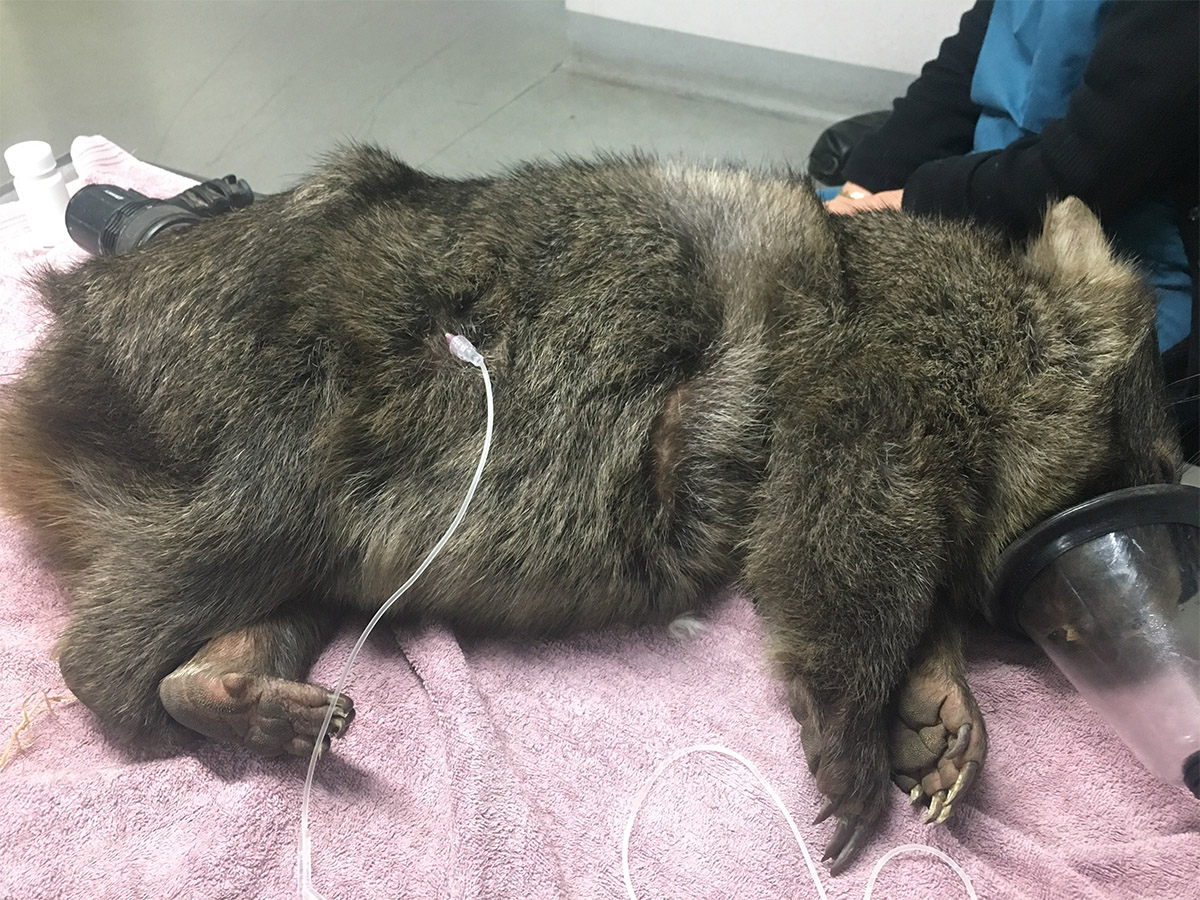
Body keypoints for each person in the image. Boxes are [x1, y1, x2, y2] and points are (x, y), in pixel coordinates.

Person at [819, 0, 1198, 457]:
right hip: (975, 205)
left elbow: (1090, 165)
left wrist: (905, 203)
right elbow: (959, 75)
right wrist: (861, 190)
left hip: (1116, 261)